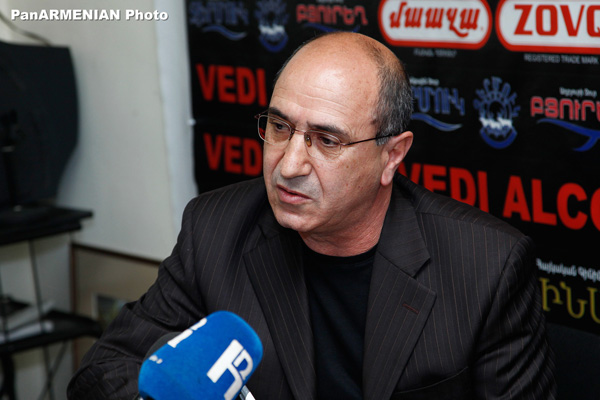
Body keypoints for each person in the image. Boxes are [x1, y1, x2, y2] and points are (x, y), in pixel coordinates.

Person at [68, 32, 556, 399]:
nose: (289, 165)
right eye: (280, 127)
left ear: (391, 155)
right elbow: (103, 370)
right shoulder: (215, 229)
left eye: (326, 140)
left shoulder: (486, 265)